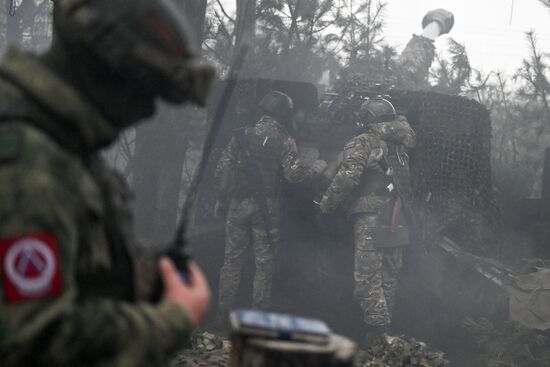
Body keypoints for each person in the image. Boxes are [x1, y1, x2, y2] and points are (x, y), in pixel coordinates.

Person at [0, 0, 213, 366]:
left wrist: (143, 276)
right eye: (144, 90)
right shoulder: (29, 161)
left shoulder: (59, 142)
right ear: (106, 72)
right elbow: (35, 340)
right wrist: (172, 320)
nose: (146, 111)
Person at [214, 91, 327, 322]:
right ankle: (258, 317)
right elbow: (294, 176)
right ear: (284, 113)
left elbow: (223, 171)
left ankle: (222, 313)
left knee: (231, 259)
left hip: (238, 204)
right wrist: (316, 168)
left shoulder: (241, 135)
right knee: (264, 264)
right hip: (267, 208)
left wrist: (222, 198)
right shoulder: (285, 140)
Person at [319, 97, 416, 337]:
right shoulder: (401, 145)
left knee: (367, 282)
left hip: (371, 217)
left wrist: (325, 205)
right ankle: (388, 341)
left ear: (367, 119)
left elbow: (346, 179)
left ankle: (377, 342)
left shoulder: (364, 142)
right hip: (397, 217)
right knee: (388, 280)